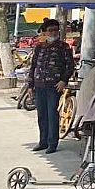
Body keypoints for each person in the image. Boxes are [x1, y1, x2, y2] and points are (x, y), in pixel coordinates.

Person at [25, 18, 75, 154]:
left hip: (54, 85)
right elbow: (33, 66)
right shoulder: (39, 47)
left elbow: (70, 66)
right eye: (50, 30)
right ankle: (43, 141)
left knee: (52, 113)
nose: (53, 32)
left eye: (55, 30)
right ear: (44, 32)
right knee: (42, 115)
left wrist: (63, 80)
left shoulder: (64, 47)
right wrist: (30, 85)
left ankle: (52, 143)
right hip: (39, 85)